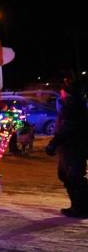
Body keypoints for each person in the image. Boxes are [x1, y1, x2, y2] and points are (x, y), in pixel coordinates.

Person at [46, 74, 88, 218]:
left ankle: (81, 207)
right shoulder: (75, 104)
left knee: (73, 177)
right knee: (70, 175)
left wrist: (53, 143)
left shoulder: (72, 105)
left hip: (73, 146)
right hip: (73, 145)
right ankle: (78, 206)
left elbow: (68, 127)